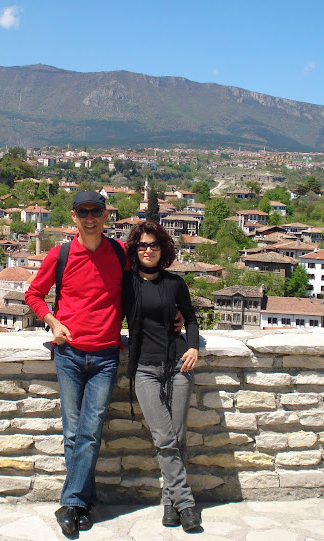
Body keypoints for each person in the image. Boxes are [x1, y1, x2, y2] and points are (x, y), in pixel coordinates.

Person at [24, 190, 125, 536]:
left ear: (106, 215)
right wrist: (53, 323)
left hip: (106, 354)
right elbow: (33, 294)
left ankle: (70, 503)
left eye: (95, 211)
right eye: (83, 212)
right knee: (73, 432)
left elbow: (145, 285)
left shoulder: (119, 253)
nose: (90, 218)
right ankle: (83, 502)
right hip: (69, 354)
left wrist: (177, 315)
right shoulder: (62, 254)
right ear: (74, 217)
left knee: (90, 430)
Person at [122, 220, 202, 532]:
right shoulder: (126, 284)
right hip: (144, 369)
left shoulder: (175, 284)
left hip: (178, 366)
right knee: (164, 437)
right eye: (142, 245)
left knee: (178, 437)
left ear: (162, 249)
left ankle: (171, 503)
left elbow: (191, 318)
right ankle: (186, 504)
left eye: (153, 244)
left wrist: (193, 346)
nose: (148, 250)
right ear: (134, 250)